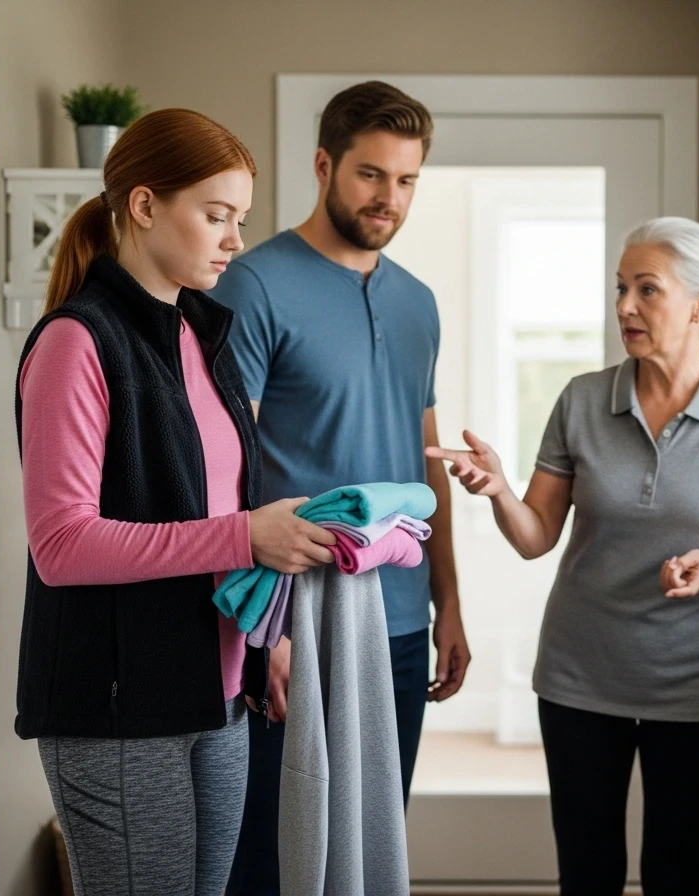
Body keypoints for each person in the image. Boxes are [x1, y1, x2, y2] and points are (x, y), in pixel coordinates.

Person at [15, 109, 337, 896]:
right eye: (216, 215)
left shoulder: (204, 335)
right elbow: (62, 546)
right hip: (119, 710)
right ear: (145, 205)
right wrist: (245, 538)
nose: (234, 240)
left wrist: (269, 639)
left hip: (221, 693)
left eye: (241, 220)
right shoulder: (75, 343)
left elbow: (224, 504)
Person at [427, 217, 699, 895]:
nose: (624, 305)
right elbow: (536, 534)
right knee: (587, 873)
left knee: (674, 873)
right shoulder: (583, 401)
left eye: (646, 290)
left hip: (692, 686)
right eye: (621, 288)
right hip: (578, 677)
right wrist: (501, 490)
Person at [211, 81, 470, 894]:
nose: (388, 198)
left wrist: (448, 600)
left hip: (396, 619)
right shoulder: (252, 286)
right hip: (294, 621)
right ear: (324, 165)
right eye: (369, 174)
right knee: (275, 856)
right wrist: (264, 633)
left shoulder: (419, 304)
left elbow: (426, 462)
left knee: (370, 847)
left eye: (406, 180)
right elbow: (228, 469)